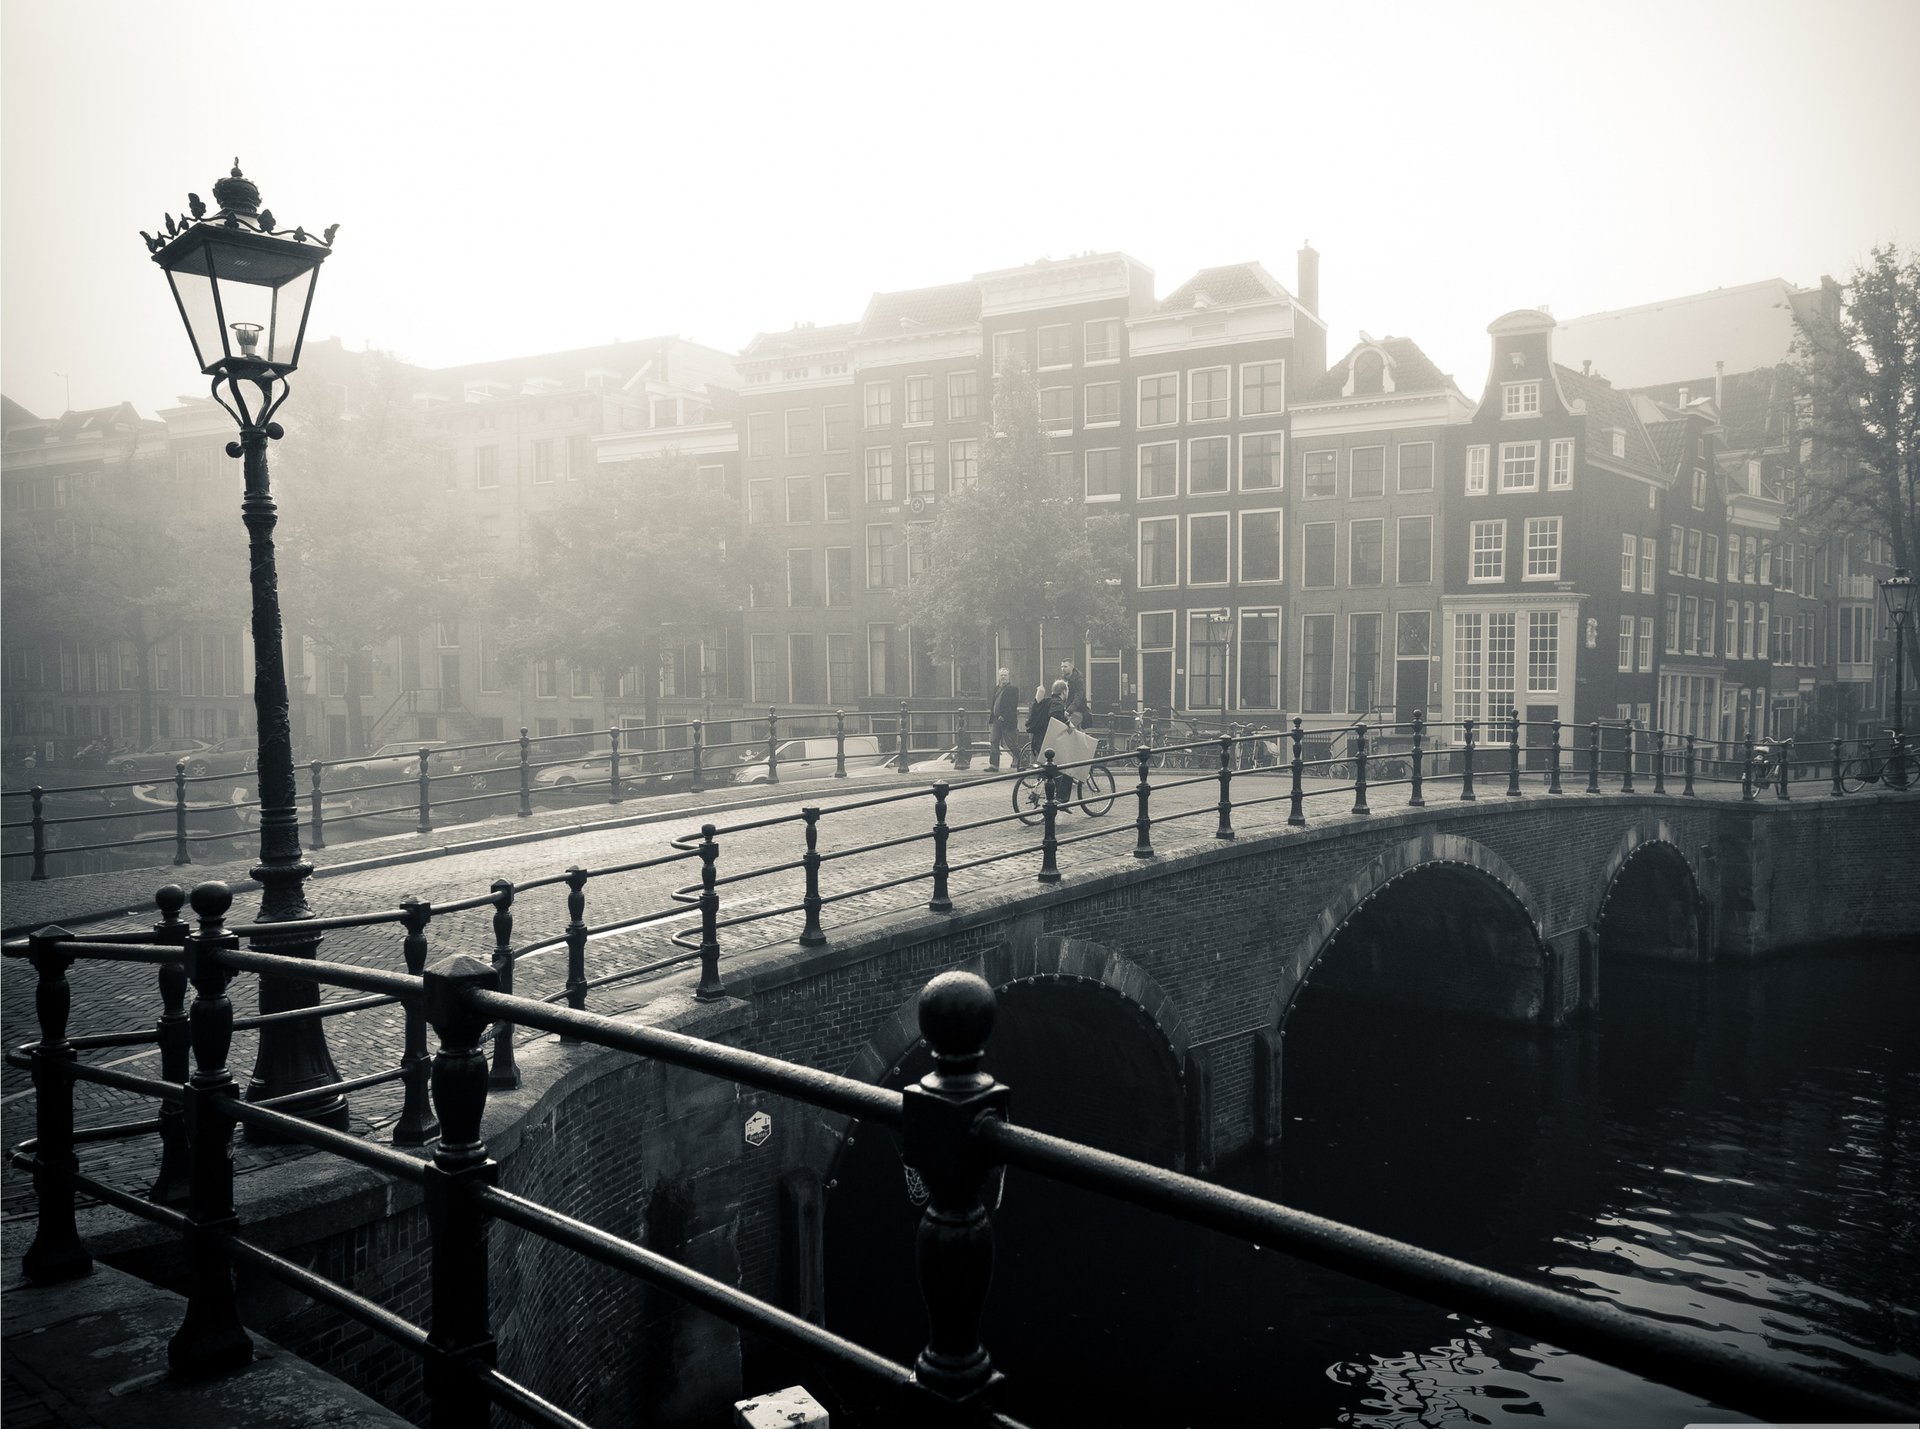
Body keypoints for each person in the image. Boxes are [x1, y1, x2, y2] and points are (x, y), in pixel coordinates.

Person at [987, 668, 1025, 771]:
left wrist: (1003, 716)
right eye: (1001, 675)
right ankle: (993, 765)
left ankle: (1023, 761)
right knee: (994, 741)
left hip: (1007, 720)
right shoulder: (996, 689)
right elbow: (994, 704)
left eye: (1005, 675)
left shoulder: (1013, 689)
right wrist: (993, 715)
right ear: (998, 677)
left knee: (1011, 743)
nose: (1003, 677)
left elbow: (1013, 705)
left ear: (1008, 677)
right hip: (996, 720)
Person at [1058, 658, 1089, 729]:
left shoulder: (1078, 680)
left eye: (1065, 667)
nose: (1063, 669)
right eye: (1062, 667)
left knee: (1067, 730)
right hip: (1065, 711)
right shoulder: (1062, 679)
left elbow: (1078, 697)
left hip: (1077, 711)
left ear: (1072, 667)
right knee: (1070, 731)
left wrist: (1069, 710)